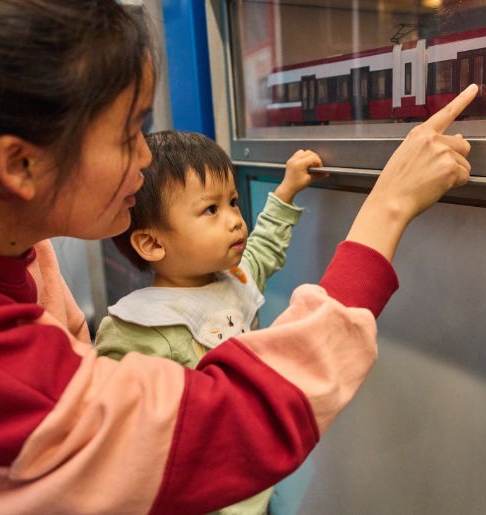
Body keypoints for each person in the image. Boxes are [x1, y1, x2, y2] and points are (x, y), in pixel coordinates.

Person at [0, 1, 476, 513]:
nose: (144, 158)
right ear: (20, 165)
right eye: (128, 134)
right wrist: (389, 206)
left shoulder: (17, 255)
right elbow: (223, 427)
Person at [95, 131, 325, 515]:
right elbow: (118, 433)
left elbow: (264, 248)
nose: (236, 220)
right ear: (152, 244)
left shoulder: (232, 279)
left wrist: (286, 191)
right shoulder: (139, 325)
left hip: (252, 487)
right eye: (211, 210)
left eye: (232, 202)